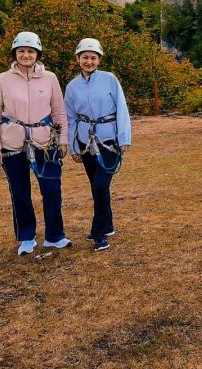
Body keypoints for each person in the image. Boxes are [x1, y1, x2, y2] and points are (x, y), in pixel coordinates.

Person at [0, 31, 71, 256]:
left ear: (38, 54)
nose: (26, 55)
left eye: (30, 51)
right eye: (21, 51)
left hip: (45, 142)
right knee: (20, 192)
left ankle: (54, 235)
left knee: (52, 190)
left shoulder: (50, 78)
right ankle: (26, 237)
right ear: (15, 53)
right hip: (12, 145)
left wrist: (63, 141)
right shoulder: (2, 80)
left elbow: (59, 111)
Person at [64, 38, 132, 252]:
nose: (89, 61)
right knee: (97, 188)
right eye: (85, 57)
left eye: (93, 57)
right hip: (86, 143)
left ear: (99, 59)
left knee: (101, 185)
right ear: (78, 59)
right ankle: (108, 224)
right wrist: (73, 147)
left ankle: (99, 232)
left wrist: (124, 138)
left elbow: (121, 107)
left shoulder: (110, 79)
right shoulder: (72, 87)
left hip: (108, 140)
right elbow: (70, 117)